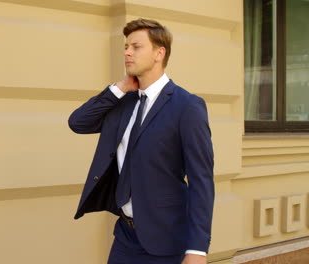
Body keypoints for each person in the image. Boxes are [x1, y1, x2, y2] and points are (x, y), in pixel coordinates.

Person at [68, 18, 214, 264]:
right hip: (126, 235)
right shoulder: (124, 101)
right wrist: (119, 87)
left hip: (166, 240)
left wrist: (197, 249)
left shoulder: (187, 106)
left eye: (136, 47)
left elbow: (202, 181)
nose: (127, 52)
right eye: (126, 46)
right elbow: (78, 122)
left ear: (159, 53)